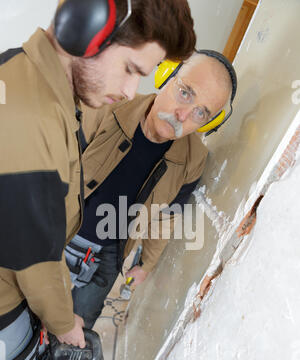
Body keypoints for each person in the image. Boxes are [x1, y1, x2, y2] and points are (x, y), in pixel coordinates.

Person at [0, 0, 196, 360]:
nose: (130, 90)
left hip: (26, 302)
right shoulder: (27, 116)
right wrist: (64, 321)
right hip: (7, 312)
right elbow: (34, 258)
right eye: (130, 68)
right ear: (85, 28)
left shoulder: (39, 88)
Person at [65, 50, 237, 330]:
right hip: (58, 230)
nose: (183, 115)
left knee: (74, 336)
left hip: (108, 255)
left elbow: (166, 217)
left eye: (201, 112)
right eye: (185, 93)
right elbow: (51, 173)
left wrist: (145, 264)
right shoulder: (105, 108)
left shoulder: (194, 160)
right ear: (165, 75)